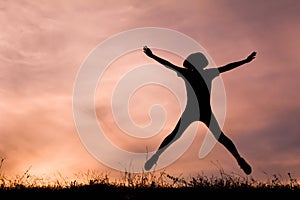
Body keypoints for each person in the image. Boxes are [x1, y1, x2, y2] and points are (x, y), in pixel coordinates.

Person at [143, 46, 256, 175]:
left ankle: (156, 157)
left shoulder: (190, 73)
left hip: (193, 112)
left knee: (175, 136)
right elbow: (227, 67)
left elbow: (168, 64)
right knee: (220, 137)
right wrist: (244, 61)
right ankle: (238, 158)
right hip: (203, 112)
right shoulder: (207, 73)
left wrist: (153, 56)